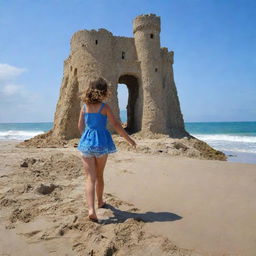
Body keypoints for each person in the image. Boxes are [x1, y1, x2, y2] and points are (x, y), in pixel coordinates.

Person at [77, 77, 137, 223]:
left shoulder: (84, 107)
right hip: (101, 144)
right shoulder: (104, 108)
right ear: (103, 92)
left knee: (89, 178)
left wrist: (85, 137)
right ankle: (100, 202)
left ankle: (91, 209)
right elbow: (116, 125)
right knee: (99, 176)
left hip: (87, 143)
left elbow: (80, 126)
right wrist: (129, 140)